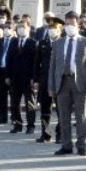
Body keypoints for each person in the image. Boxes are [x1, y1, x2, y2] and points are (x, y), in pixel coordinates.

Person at [49, 11, 86, 156]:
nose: (69, 27)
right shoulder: (58, 43)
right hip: (62, 82)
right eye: (67, 24)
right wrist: (51, 86)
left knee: (81, 117)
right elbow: (52, 66)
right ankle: (66, 145)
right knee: (63, 117)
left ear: (78, 25)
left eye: (72, 24)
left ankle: (81, 145)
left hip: (80, 83)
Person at [33, 15, 62, 143]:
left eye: (54, 29)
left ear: (59, 31)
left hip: (59, 80)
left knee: (61, 109)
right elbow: (36, 62)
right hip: (44, 80)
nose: (51, 31)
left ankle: (60, 134)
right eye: (50, 29)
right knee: (45, 109)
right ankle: (46, 134)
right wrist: (35, 80)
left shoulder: (63, 43)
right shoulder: (42, 43)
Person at [6, 20, 38, 134]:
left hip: (28, 78)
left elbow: (35, 62)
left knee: (30, 103)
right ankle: (17, 124)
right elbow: (9, 59)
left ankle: (31, 125)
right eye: (19, 27)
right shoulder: (13, 42)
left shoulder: (33, 43)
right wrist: (8, 75)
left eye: (23, 27)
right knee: (14, 103)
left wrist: (34, 78)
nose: (20, 29)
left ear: (28, 28)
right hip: (15, 77)